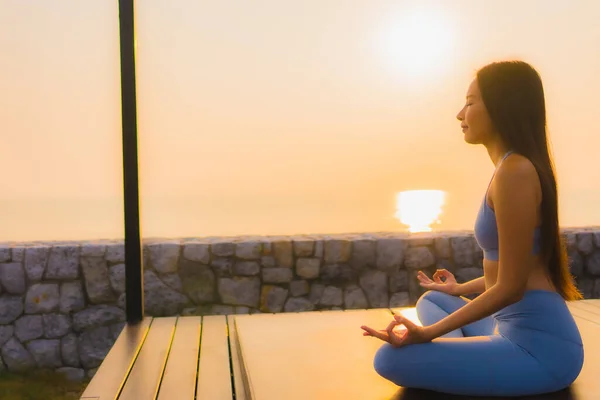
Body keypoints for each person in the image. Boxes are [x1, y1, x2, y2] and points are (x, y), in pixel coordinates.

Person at [360, 60, 584, 397]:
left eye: (470, 102)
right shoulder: (510, 167)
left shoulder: (515, 172)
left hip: (540, 350)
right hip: (506, 326)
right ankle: (465, 352)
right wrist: (460, 288)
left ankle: (456, 352)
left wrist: (429, 333)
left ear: (500, 106)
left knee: (389, 360)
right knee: (434, 298)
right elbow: (520, 268)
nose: (459, 113)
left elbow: (511, 287)